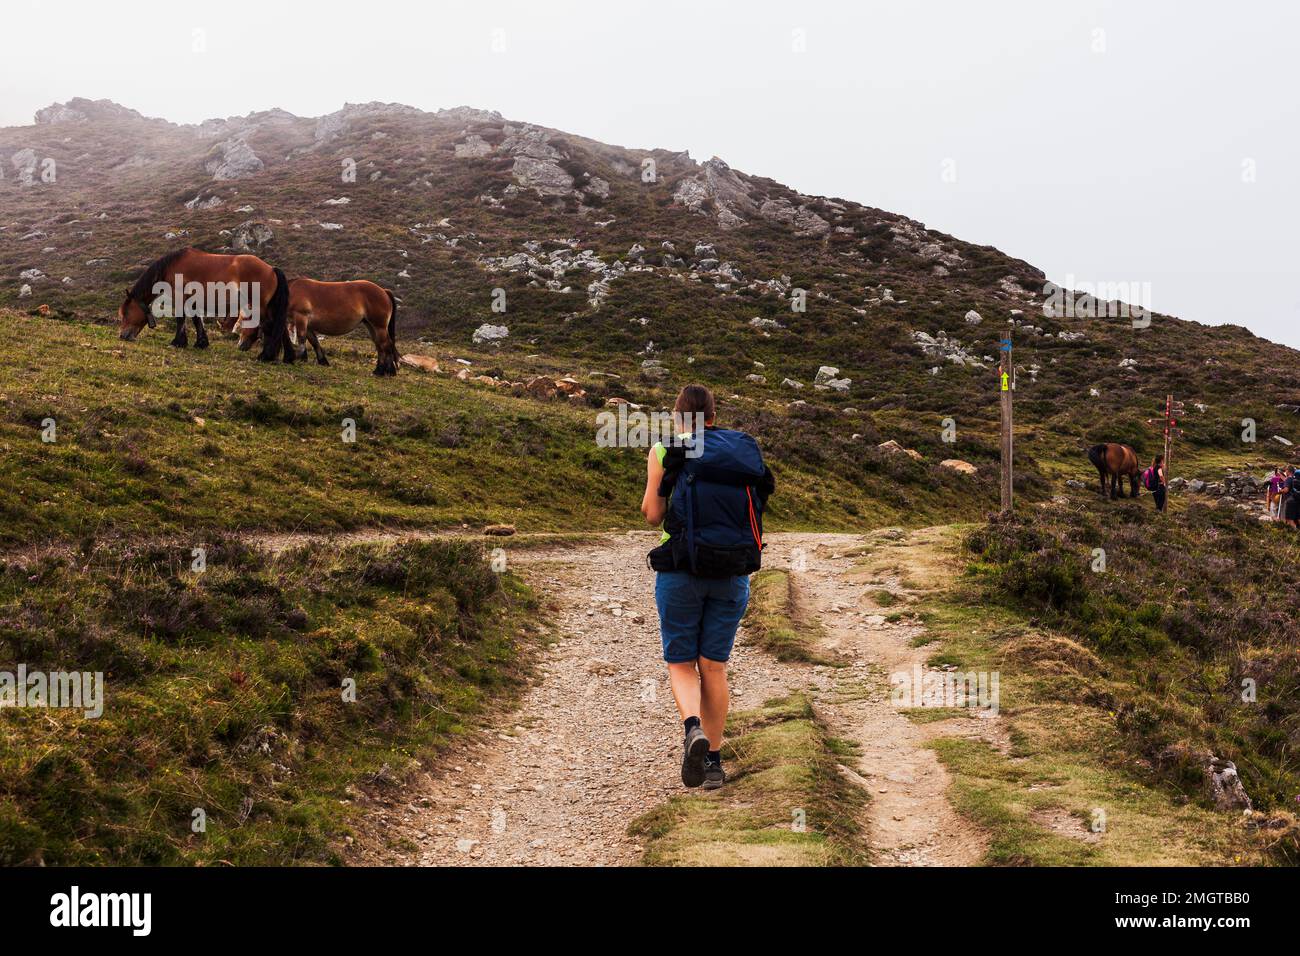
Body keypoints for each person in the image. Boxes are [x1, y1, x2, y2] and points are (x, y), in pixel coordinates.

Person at [641, 384, 774, 790]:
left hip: (681, 570)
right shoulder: (741, 453)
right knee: (713, 667)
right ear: (714, 415)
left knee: (681, 663)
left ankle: (692, 728)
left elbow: (652, 515)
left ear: (679, 416)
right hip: (732, 572)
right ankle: (714, 763)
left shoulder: (666, 451)